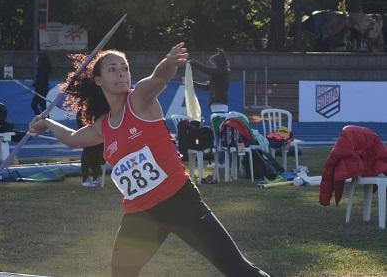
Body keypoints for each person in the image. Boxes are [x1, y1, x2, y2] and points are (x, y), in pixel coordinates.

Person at [29, 42, 271, 277]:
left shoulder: (139, 99)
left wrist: (168, 62)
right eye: (112, 69)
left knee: (237, 269)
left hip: (179, 201)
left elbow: (159, 78)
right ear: (98, 80)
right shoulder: (104, 125)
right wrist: (47, 122)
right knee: (123, 272)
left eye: (124, 68)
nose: (121, 74)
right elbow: (72, 138)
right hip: (141, 212)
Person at [189, 48, 230, 114]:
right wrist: (190, 82)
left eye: (213, 64)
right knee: (218, 122)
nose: (212, 66)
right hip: (217, 103)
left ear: (217, 63)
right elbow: (206, 87)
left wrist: (194, 63)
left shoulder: (221, 72)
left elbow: (206, 70)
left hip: (219, 102)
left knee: (218, 122)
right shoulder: (219, 74)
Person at [76, 109, 105, 187]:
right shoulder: (82, 111)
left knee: (97, 157)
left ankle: (96, 177)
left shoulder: (99, 108)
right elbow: (81, 124)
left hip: (98, 136)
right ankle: (85, 179)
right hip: (88, 136)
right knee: (86, 157)